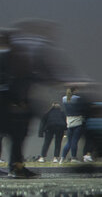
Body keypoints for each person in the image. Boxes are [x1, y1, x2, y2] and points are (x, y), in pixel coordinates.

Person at [1, 21, 90, 178]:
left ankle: (16, 166)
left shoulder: (14, 55)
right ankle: (16, 167)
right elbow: (26, 77)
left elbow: (31, 76)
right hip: (10, 103)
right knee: (16, 135)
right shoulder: (12, 56)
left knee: (15, 135)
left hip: (13, 102)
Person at [60, 87, 87, 163]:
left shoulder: (64, 99)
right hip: (77, 121)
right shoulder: (78, 98)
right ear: (74, 91)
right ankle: (73, 158)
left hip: (69, 121)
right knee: (74, 141)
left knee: (69, 141)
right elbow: (82, 109)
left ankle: (62, 158)